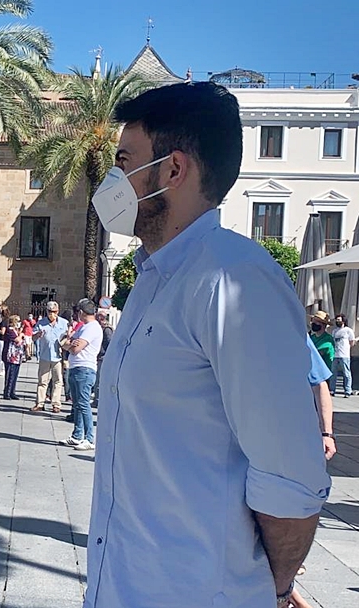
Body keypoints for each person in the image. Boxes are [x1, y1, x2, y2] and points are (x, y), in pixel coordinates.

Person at [86, 82, 330, 608]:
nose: (111, 179)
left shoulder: (233, 279)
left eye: (123, 161)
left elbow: (291, 479)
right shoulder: (151, 281)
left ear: (173, 171)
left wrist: (276, 587)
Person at [60, 299, 101, 450]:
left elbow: (75, 348)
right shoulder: (83, 328)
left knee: (83, 404)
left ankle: (89, 438)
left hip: (85, 368)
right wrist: (69, 344)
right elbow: (65, 341)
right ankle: (77, 435)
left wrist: (68, 344)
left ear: (82, 312)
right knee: (77, 404)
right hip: (76, 367)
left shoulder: (92, 328)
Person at [31, 301, 68, 413]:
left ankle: (56, 404)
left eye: (54, 312)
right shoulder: (41, 323)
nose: (52, 314)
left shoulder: (64, 323)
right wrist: (37, 335)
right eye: (50, 311)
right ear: (46, 311)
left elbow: (69, 335)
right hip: (45, 356)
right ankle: (40, 403)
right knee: (42, 381)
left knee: (58, 381)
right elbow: (32, 338)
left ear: (58, 311)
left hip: (58, 356)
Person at [92, 312, 114, 408]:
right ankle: (96, 399)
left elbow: (109, 342)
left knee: (99, 380)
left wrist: (103, 352)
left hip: (103, 357)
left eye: (97, 317)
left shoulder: (106, 329)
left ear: (101, 318)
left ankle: (97, 400)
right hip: (100, 357)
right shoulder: (101, 328)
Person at [332, 314, 354, 397]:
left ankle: (348, 390)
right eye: (336, 320)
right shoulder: (334, 331)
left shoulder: (348, 330)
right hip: (335, 355)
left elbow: (352, 342)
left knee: (346, 373)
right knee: (333, 373)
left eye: (339, 320)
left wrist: (346, 348)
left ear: (343, 321)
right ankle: (332, 389)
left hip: (344, 355)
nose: (337, 321)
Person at [1, 315, 24, 400]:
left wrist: (20, 334)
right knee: (9, 375)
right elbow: (17, 340)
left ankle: (12, 392)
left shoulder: (15, 331)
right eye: (17, 321)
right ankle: (7, 392)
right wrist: (21, 334)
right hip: (10, 355)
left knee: (15, 374)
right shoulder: (9, 330)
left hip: (17, 356)